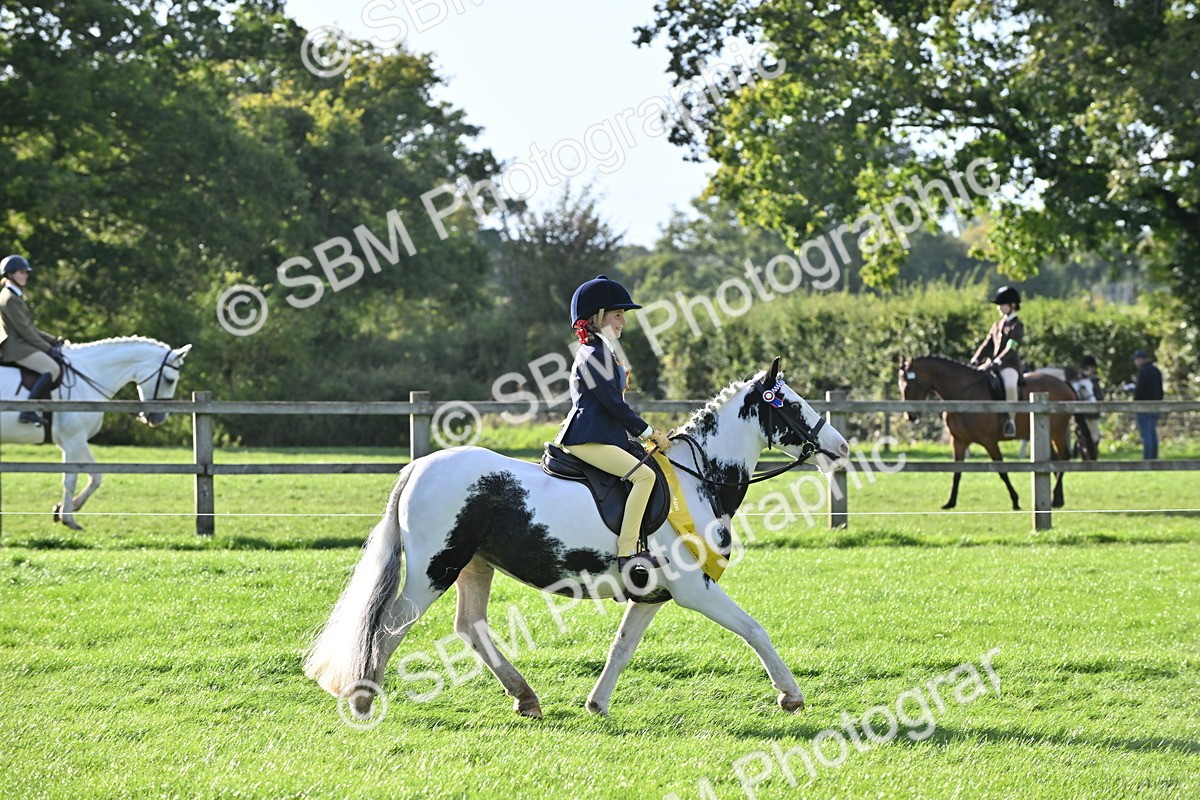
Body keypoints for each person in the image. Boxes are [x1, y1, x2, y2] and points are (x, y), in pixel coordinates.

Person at [555, 274, 672, 573]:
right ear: (598, 317)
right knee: (644, 477)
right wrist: (649, 433)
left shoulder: (601, 351)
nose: (624, 321)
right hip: (587, 438)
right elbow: (613, 404)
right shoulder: (594, 354)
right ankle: (628, 553)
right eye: (618, 315)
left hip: (602, 435)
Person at [0, 255, 63, 426]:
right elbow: (25, 331)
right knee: (52, 368)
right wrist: (47, 348)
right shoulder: (9, 299)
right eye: (22, 272)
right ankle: (27, 411)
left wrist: (52, 340)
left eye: (26, 272)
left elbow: (29, 327)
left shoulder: (14, 295)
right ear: (10, 274)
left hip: (22, 343)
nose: (26, 275)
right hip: (17, 348)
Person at [970, 286, 1025, 438]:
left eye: (1002, 304)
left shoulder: (1017, 325)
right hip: (992, 364)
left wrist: (999, 361)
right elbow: (987, 344)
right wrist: (976, 358)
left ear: (1012, 305)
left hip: (1009, 365)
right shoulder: (997, 325)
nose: (999, 308)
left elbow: (1011, 347)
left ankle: (1011, 421)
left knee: (1010, 385)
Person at [1124, 349, 1164, 459]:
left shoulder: (1143, 372)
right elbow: (1160, 391)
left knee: (1146, 434)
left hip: (1143, 407)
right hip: (1156, 406)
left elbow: (1139, 391)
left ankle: (1147, 459)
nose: (1135, 362)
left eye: (1136, 360)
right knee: (1152, 433)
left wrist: (1132, 390)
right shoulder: (1156, 370)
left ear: (1141, 359)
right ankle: (1154, 458)